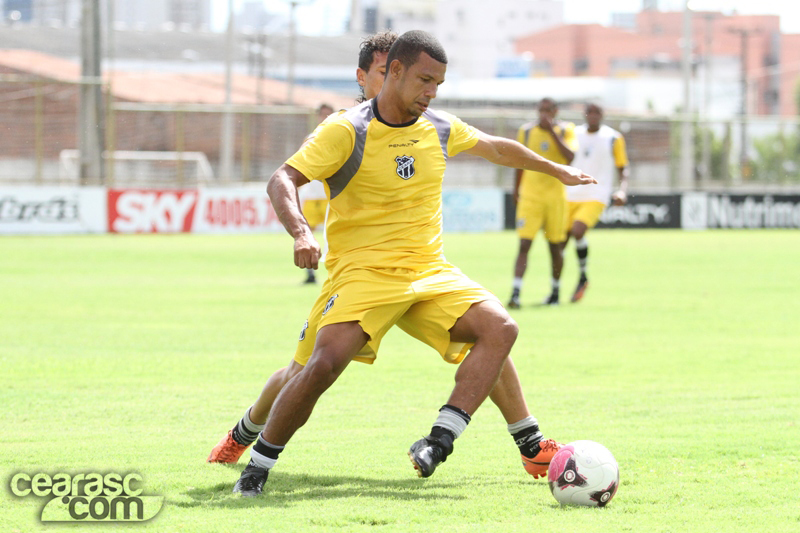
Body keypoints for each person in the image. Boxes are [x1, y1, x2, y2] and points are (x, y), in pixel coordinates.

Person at [228, 30, 595, 497]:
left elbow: (497, 147)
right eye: (424, 80)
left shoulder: (440, 127)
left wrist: (557, 170)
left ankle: (441, 441)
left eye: (438, 84)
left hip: (429, 271)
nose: (431, 93)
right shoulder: (348, 129)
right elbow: (283, 177)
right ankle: (255, 469)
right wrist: (301, 231)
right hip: (364, 274)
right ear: (393, 72)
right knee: (320, 365)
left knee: (500, 328)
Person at [508, 98, 577, 308]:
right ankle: (516, 294)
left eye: (548, 110)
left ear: (556, 111)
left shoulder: (566, 130)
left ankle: (555, 292)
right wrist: (516, 189)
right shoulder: (526, 131)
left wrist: (552, 132)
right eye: (541, 110)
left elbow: (570, 157)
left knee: (555, 247)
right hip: (531, 196)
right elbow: (519, 161)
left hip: (555, 198)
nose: (544, 114)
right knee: (524, 244)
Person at [562, 102, 629, 302]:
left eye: (596, 112)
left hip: (596, 195)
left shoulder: (613, 138)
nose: (592, 116)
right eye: (589, 112)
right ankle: (556, 291)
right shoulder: (573, 133)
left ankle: (583, 276)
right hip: (569, 195)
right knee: (558, 244)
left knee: (578, 230)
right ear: (584, 114)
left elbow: (623, 167)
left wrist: (622, 191)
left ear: (602, 115)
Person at [299, 103, 335, 284]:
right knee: (307, 235)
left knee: (334, 236)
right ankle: (310, 274)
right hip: (312, 196)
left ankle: (335, 273)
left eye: (329, 114)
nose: (325, 118)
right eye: (323, 115)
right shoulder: (310, 138)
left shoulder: (339, 137)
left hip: (331, 197)